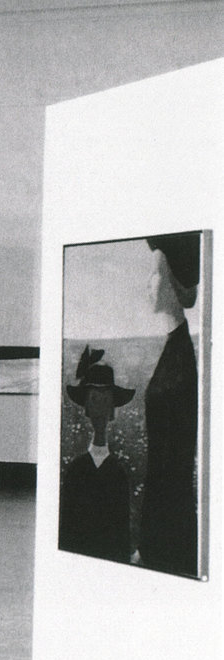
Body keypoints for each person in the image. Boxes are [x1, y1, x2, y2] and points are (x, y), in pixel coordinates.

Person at [137, 233, 200, 576]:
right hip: (163, 524)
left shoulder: (179, 355)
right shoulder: (174, 349)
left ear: (173, 282)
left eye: (156, 271)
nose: (150, 282)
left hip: (169, 530)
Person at [59, 346, 134, 563]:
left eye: (105, 399)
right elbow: (67, 529)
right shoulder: (77, 470)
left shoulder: (119, 471)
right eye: (94, 399)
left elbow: (122, 532)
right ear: (87, 408)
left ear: (112, 409)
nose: (100, 407)